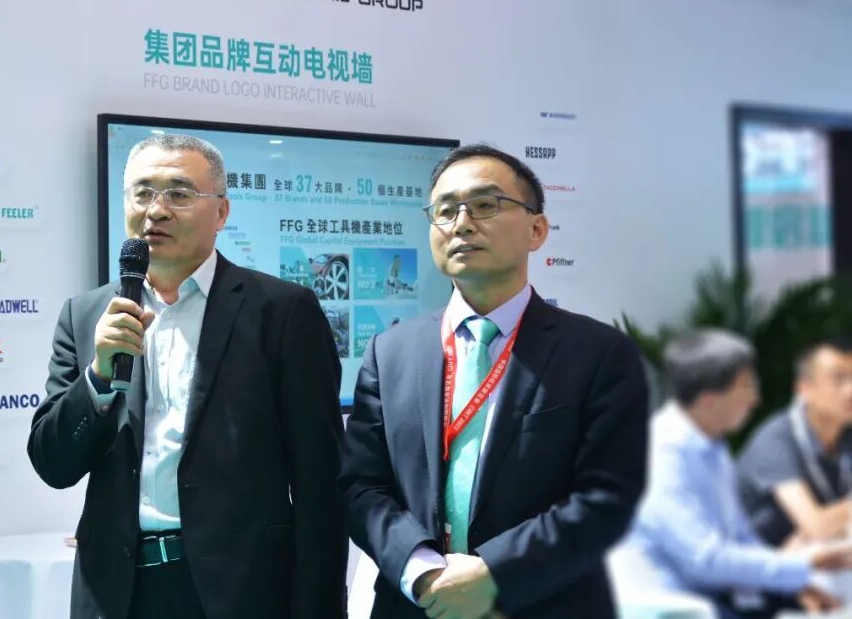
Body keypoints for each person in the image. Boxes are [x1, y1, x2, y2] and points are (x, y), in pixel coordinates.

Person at [28, 134, 348, 619]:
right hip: (118, 592)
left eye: (178, 193)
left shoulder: (281, 312)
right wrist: (97, 377)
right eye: (142, 193)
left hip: (241, 592)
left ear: (221, 212)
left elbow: (320, 482)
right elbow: (54, 464)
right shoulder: (87, 314)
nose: (155, 210)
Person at [340, 143, 649, 618]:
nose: (461, 223)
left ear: (537, 229)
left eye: (485, 205)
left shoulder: (600, 353)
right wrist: (422, 570)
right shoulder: (391, 352)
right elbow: (360, 485)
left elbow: (609, 496)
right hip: (419, 603)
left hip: (546, 604)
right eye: (445, 211)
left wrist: (495, 574)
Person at [626, 330, 851, 619]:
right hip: (679, 607)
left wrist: (795, 583)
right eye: (747, 386)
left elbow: (741, 536)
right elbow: (706, 559)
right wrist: (806, 564)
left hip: (728, 598)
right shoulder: (662, 454)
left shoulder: (712, 447)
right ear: (709, 399)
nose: (755, 399)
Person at [739, 339, 852, 546]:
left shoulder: (846, 433)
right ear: (804, 389)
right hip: (759, 559)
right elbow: (817, 528)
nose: (850, 390)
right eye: (839, 379)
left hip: (819, 552)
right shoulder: (775, 440)